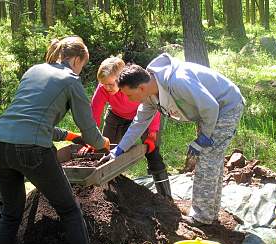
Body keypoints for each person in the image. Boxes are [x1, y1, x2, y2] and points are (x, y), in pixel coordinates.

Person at [0, 36, 121, 244]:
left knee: (11, 214)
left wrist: (69, 137)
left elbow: (31, 117)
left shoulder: (34, 70)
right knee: (70, 211)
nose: (82, 70)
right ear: (78, 59)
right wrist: (102, 143)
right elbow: (91, 132)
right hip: (33, 149)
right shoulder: (71, 80)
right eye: (84, 64)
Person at [102, 53, 244, 225]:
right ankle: (210, 212)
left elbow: (211, 107)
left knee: (207, 161)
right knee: (211, 160)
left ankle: (202, 217)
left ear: (140, 88)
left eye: (129, 95)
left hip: (225, 106)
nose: (127, 99)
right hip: (209, 112)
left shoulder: (178, 81)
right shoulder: (149, 95)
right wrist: (119, 150)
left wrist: (204, 137)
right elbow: (138, 124)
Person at [90, 57, 171, 198]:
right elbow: (94, 113)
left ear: (121, 78)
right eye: (104, 85)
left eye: (110, 84)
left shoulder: (134, 84)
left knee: (152, 152)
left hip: (144, 117)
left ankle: (165, 195)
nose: (107, 88)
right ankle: (108, 194)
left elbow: (152, 106)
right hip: (116, 115)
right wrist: (91, 138)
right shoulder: (103, 87)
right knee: (104, 151)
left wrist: (152, 133)